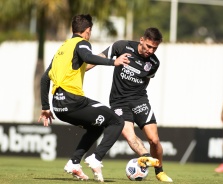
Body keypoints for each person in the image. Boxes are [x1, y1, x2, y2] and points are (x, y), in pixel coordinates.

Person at [37, 14, 157, 182]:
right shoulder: (82, 43)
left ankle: (74, 163)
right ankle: (96, 158)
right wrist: (113, 62)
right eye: (90, 31)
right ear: (88, 30)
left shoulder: (62, 48)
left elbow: (44, 78)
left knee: (97, 126)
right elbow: (88, 57)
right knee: (116, 121)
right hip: (73, 101)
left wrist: (45, 107)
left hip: (58, 107)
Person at [87, 27, 172, 182]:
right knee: (129, 135)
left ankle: (159, 171)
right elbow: (98, 58)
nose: (150, 51)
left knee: (154, 140)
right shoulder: (122, 46)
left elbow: (146, 80)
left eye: (155, 48)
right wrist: (81, 70)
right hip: (119, 102)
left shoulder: (154, 63)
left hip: (139, 100)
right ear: (141, 40)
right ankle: (147, 157)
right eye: (148, 46)